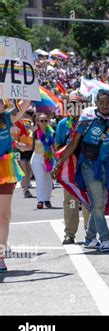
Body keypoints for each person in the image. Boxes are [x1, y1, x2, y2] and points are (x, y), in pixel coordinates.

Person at [52, 89, 109, 252]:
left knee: (99, 202)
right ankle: (105, 239)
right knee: (96, 203)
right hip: (87, 166)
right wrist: (58, 165)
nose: (105, 105)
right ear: (96, 103)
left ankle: (90, 238)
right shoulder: (86, 119)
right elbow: (73, 144)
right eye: (101, 102)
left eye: (108, 102)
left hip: (105, 166)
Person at [54, 92, 90, 244]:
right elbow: (57, 146)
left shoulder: (88, 122)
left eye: (77, 104)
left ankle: (90, 231)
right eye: (71, 104)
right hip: (70, 169)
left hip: (86, 166)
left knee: (89, 200)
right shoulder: (63, 124)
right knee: (71, 201)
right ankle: (70, 233)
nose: (74, 107)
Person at [0, 98, 31, 272]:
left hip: (5, 169)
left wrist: (30, 85)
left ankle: (0, 256)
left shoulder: (7, 118)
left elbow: (24, 104)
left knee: (3, 216)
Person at [31, 113, 55, 209]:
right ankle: (40, 200)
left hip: (49, 158)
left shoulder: (52, 132)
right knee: (40, 179)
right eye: (42, 121)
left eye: (46, 120)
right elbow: (29, 146)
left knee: (48, 180)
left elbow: (54, 146)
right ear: (37, 122)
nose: (44, 122)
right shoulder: (34, 133)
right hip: (37, 157)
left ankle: (47, 200)